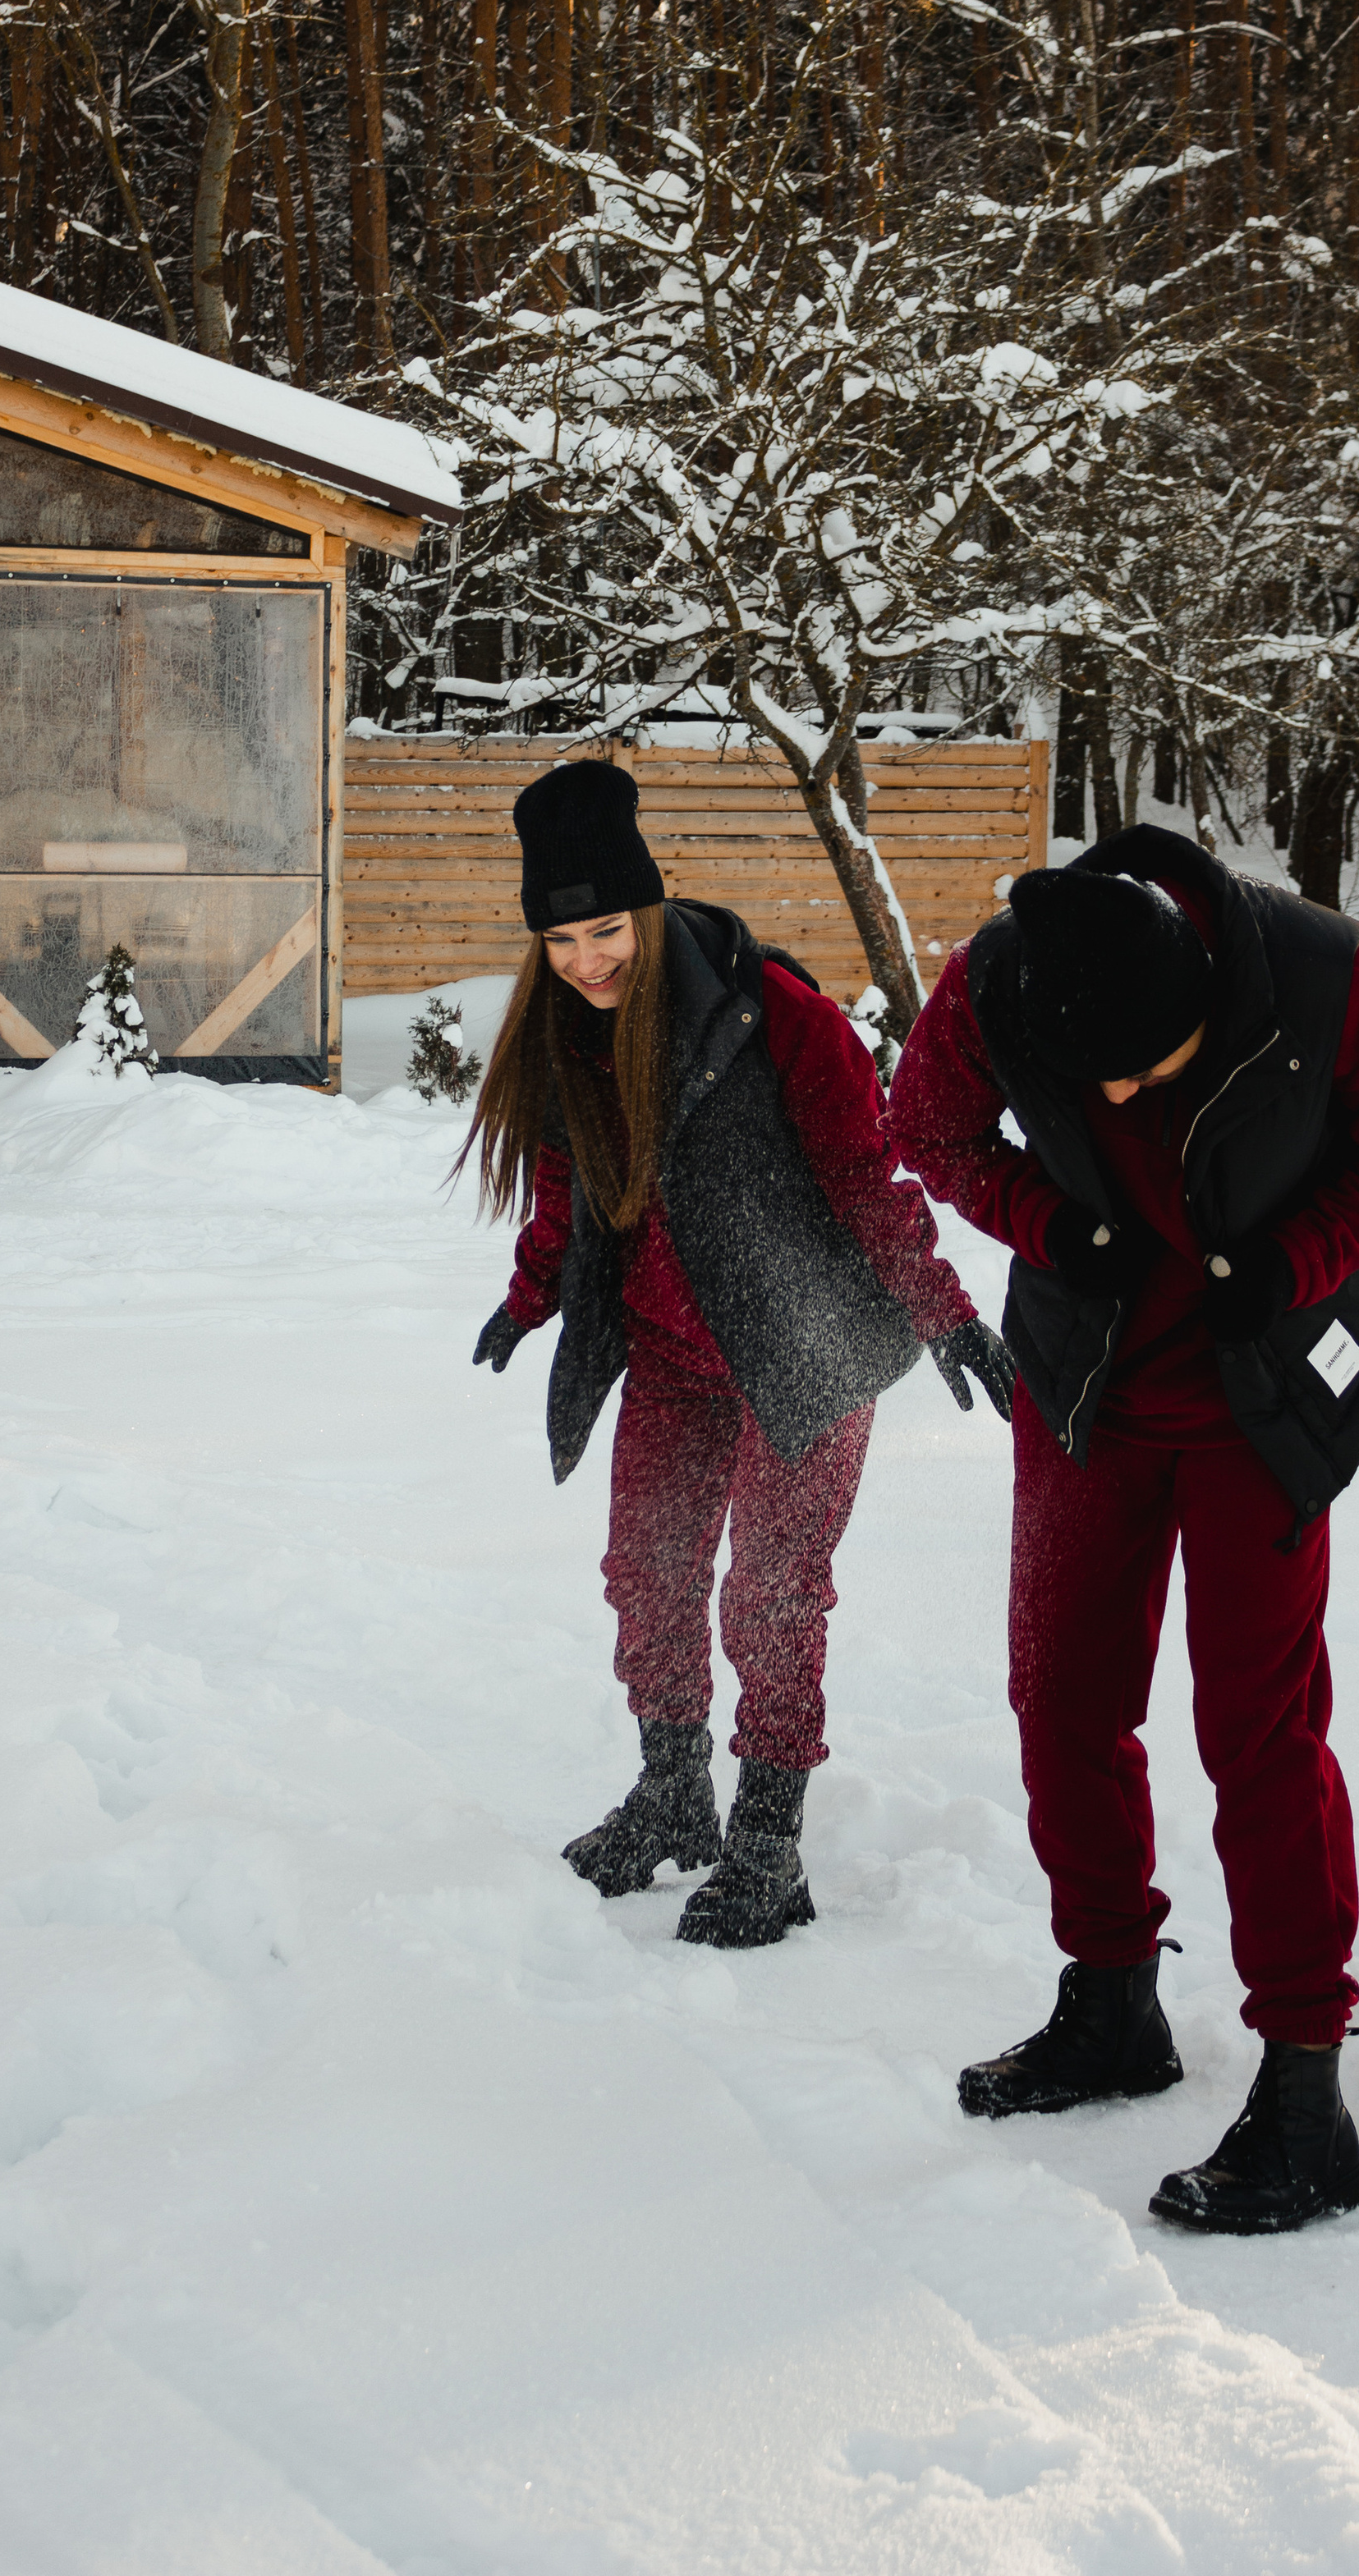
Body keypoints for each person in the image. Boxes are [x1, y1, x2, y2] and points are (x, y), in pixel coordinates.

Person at [888, 823, 1359, 2234]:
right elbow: (929, 1128)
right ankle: (1111, 2005)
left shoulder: (1332, 980)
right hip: (1085, 1386)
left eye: (1143, 1070)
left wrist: (1295, 1259)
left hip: (1262, 1391)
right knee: (1062, 1695)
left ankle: (1306, 2091)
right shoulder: (1001, 980)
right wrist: (1048, 1222)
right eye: (1085, 1079)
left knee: (1257, 1729)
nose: (1112, 1097)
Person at [467, 758, 1014, 1950]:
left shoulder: (774, 1014)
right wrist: (530, 1296)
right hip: (674, 1353)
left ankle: (769, 1836)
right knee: (647, 1571)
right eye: (560, 941)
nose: (586, 962)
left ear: (648, 908)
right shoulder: (572, 1034)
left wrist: (943, 1310)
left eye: (606, 931)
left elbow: (868, 1176)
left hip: (805, 1349)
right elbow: (568, 1177)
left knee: (771, 1590)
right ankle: (674, 1793)